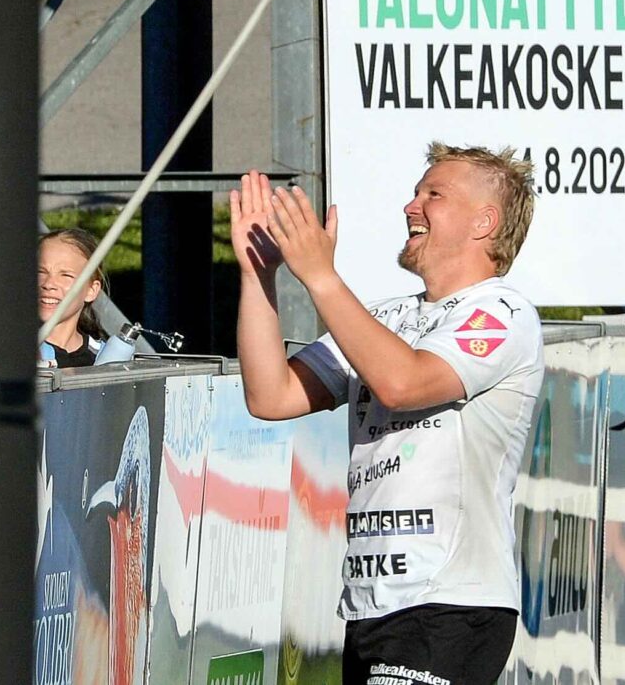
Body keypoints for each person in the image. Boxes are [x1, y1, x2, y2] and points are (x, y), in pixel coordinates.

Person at [232, 149, 543, 685]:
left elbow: (403, 384)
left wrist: (322, 277)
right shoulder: (387, 316)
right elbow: (271, 395)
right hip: (371, 604)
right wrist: (258, 275)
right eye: (415, 192)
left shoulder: (502, 313)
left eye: (433, 195)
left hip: (450, 603)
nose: (410, 206)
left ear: (484, 222)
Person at [38, 228, 136, 368]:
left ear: (91, 290)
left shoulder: (106, 357)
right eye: (40, 272)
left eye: (66, 275)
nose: (48, 284)